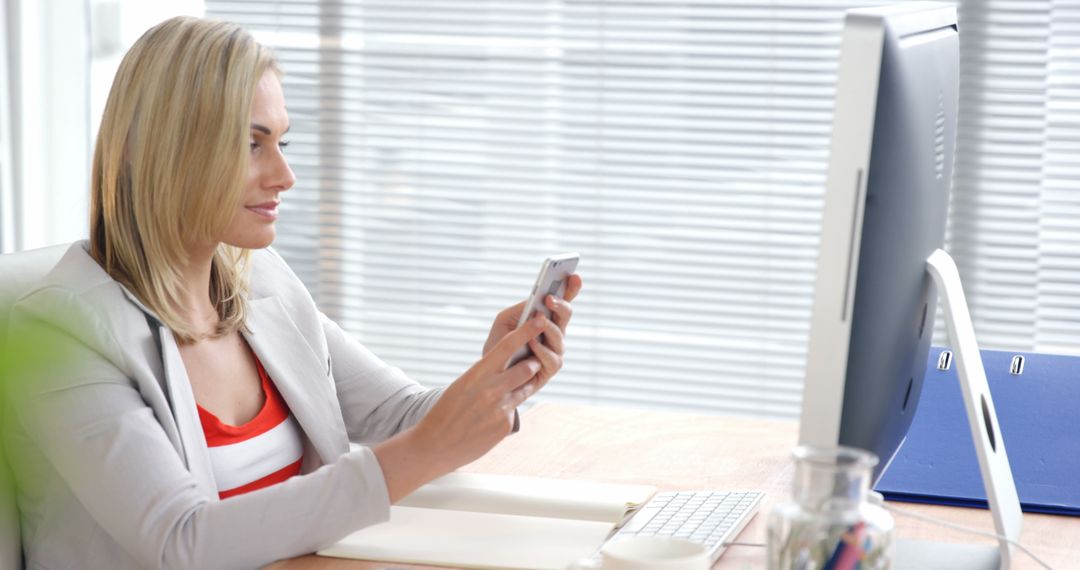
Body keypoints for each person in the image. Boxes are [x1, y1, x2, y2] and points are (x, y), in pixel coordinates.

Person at [3, 16, 581, 569]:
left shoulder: (263, 284)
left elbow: (399, 416)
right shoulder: (58, 334)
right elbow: (183, 542)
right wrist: (430, 445)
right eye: (252, 145)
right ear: (162, 150)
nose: (284, 175)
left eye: (283, 142)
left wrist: (496, 378)